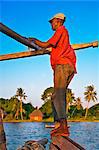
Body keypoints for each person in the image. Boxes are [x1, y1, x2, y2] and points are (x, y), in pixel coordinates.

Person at [28, 13, 76, 137]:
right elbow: (52, 46)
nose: (51, 24)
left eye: (52, 22)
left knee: (59, 95)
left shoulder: (61, 30)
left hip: (63, 65)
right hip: (67, 66)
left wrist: (34, 41)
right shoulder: (63, 34)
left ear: (58, 21)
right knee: (55, 96)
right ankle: (59, 125)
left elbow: (46, 44)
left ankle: (63, 126)